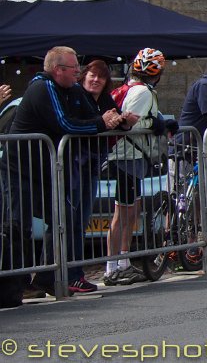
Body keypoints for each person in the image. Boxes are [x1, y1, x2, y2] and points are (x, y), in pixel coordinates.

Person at [1, 46, 123, 305]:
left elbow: (89, 114)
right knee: (17, 226)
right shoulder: (42, 87)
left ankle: (46, 277)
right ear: (58, 70)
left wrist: (115, 120)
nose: (78, 73)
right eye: (74, 69)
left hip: (44, 170)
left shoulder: (69, 90)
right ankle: (16, 285)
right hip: (19, 169)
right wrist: (101, 123)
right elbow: (64, 123)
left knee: (64, 219)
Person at [104, 48, 174, 287]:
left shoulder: (135, 89)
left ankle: (122, 262)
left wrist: (158, 121)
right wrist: (154, 123)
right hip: (128, 155)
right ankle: (113, 266)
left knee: (129, 211)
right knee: (122, 213)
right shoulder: (142, 91)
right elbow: (128, 122)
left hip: (131, 155)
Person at [67, 60, 128, 293]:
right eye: (92, 76)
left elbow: (117, 119)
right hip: (73, 165)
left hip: (91, 166)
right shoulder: (76, 95)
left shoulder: (103, 99)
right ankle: (66, 275)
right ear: (83, 76)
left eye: (101, 78)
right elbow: (75, 124)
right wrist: (102, 122)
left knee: (80, 221)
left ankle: (74, 274)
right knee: (69, 223)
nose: (96, 80)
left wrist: (123, 122)